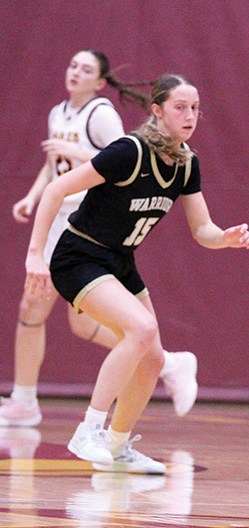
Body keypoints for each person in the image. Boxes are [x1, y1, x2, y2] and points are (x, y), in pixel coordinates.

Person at [24, 74, 249, 474]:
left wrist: (225, 239)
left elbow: (202, 229)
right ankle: (89, 429)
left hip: (120, 261)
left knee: (151, 361)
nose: (190, 115)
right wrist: (34, 254)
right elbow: (56, 189)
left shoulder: (186, 162)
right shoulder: (128, 152)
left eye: (196, 108)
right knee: (142, 330)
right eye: (180, 107)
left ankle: (116, 447)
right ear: (157, 111)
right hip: (78, 256)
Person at [3, 50, 198, 428]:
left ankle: (29, 401)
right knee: (69, 320)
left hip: (82, 221)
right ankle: (166, 362)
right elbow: (53, 166)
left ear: (100, 82)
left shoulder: (102, 114)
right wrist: (32, 195)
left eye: (86, 69)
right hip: (57, 211)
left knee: (35, 305)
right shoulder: (59, 112)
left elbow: (121, 159)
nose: (75, 72)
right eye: (72, 64)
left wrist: (76, 154)